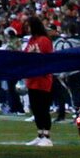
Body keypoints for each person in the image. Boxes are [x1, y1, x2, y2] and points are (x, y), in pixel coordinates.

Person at [25, 14, 57, 147]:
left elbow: (46, 59)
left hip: (43, 80)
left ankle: (47, 136)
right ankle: (39, 135)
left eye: (28, 26)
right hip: (32, 80)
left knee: (43, 108)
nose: (27, 28)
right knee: (36, 109)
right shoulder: (31, 40)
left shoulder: (44, 40)